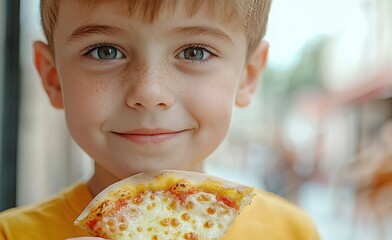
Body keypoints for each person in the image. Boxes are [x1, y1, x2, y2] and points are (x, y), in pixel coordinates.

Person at [0, 0, 320, 239]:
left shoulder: (291, 231)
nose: (150, 92)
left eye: (194, 52)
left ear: (247, 77)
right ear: (53, 78)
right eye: (105, 52)